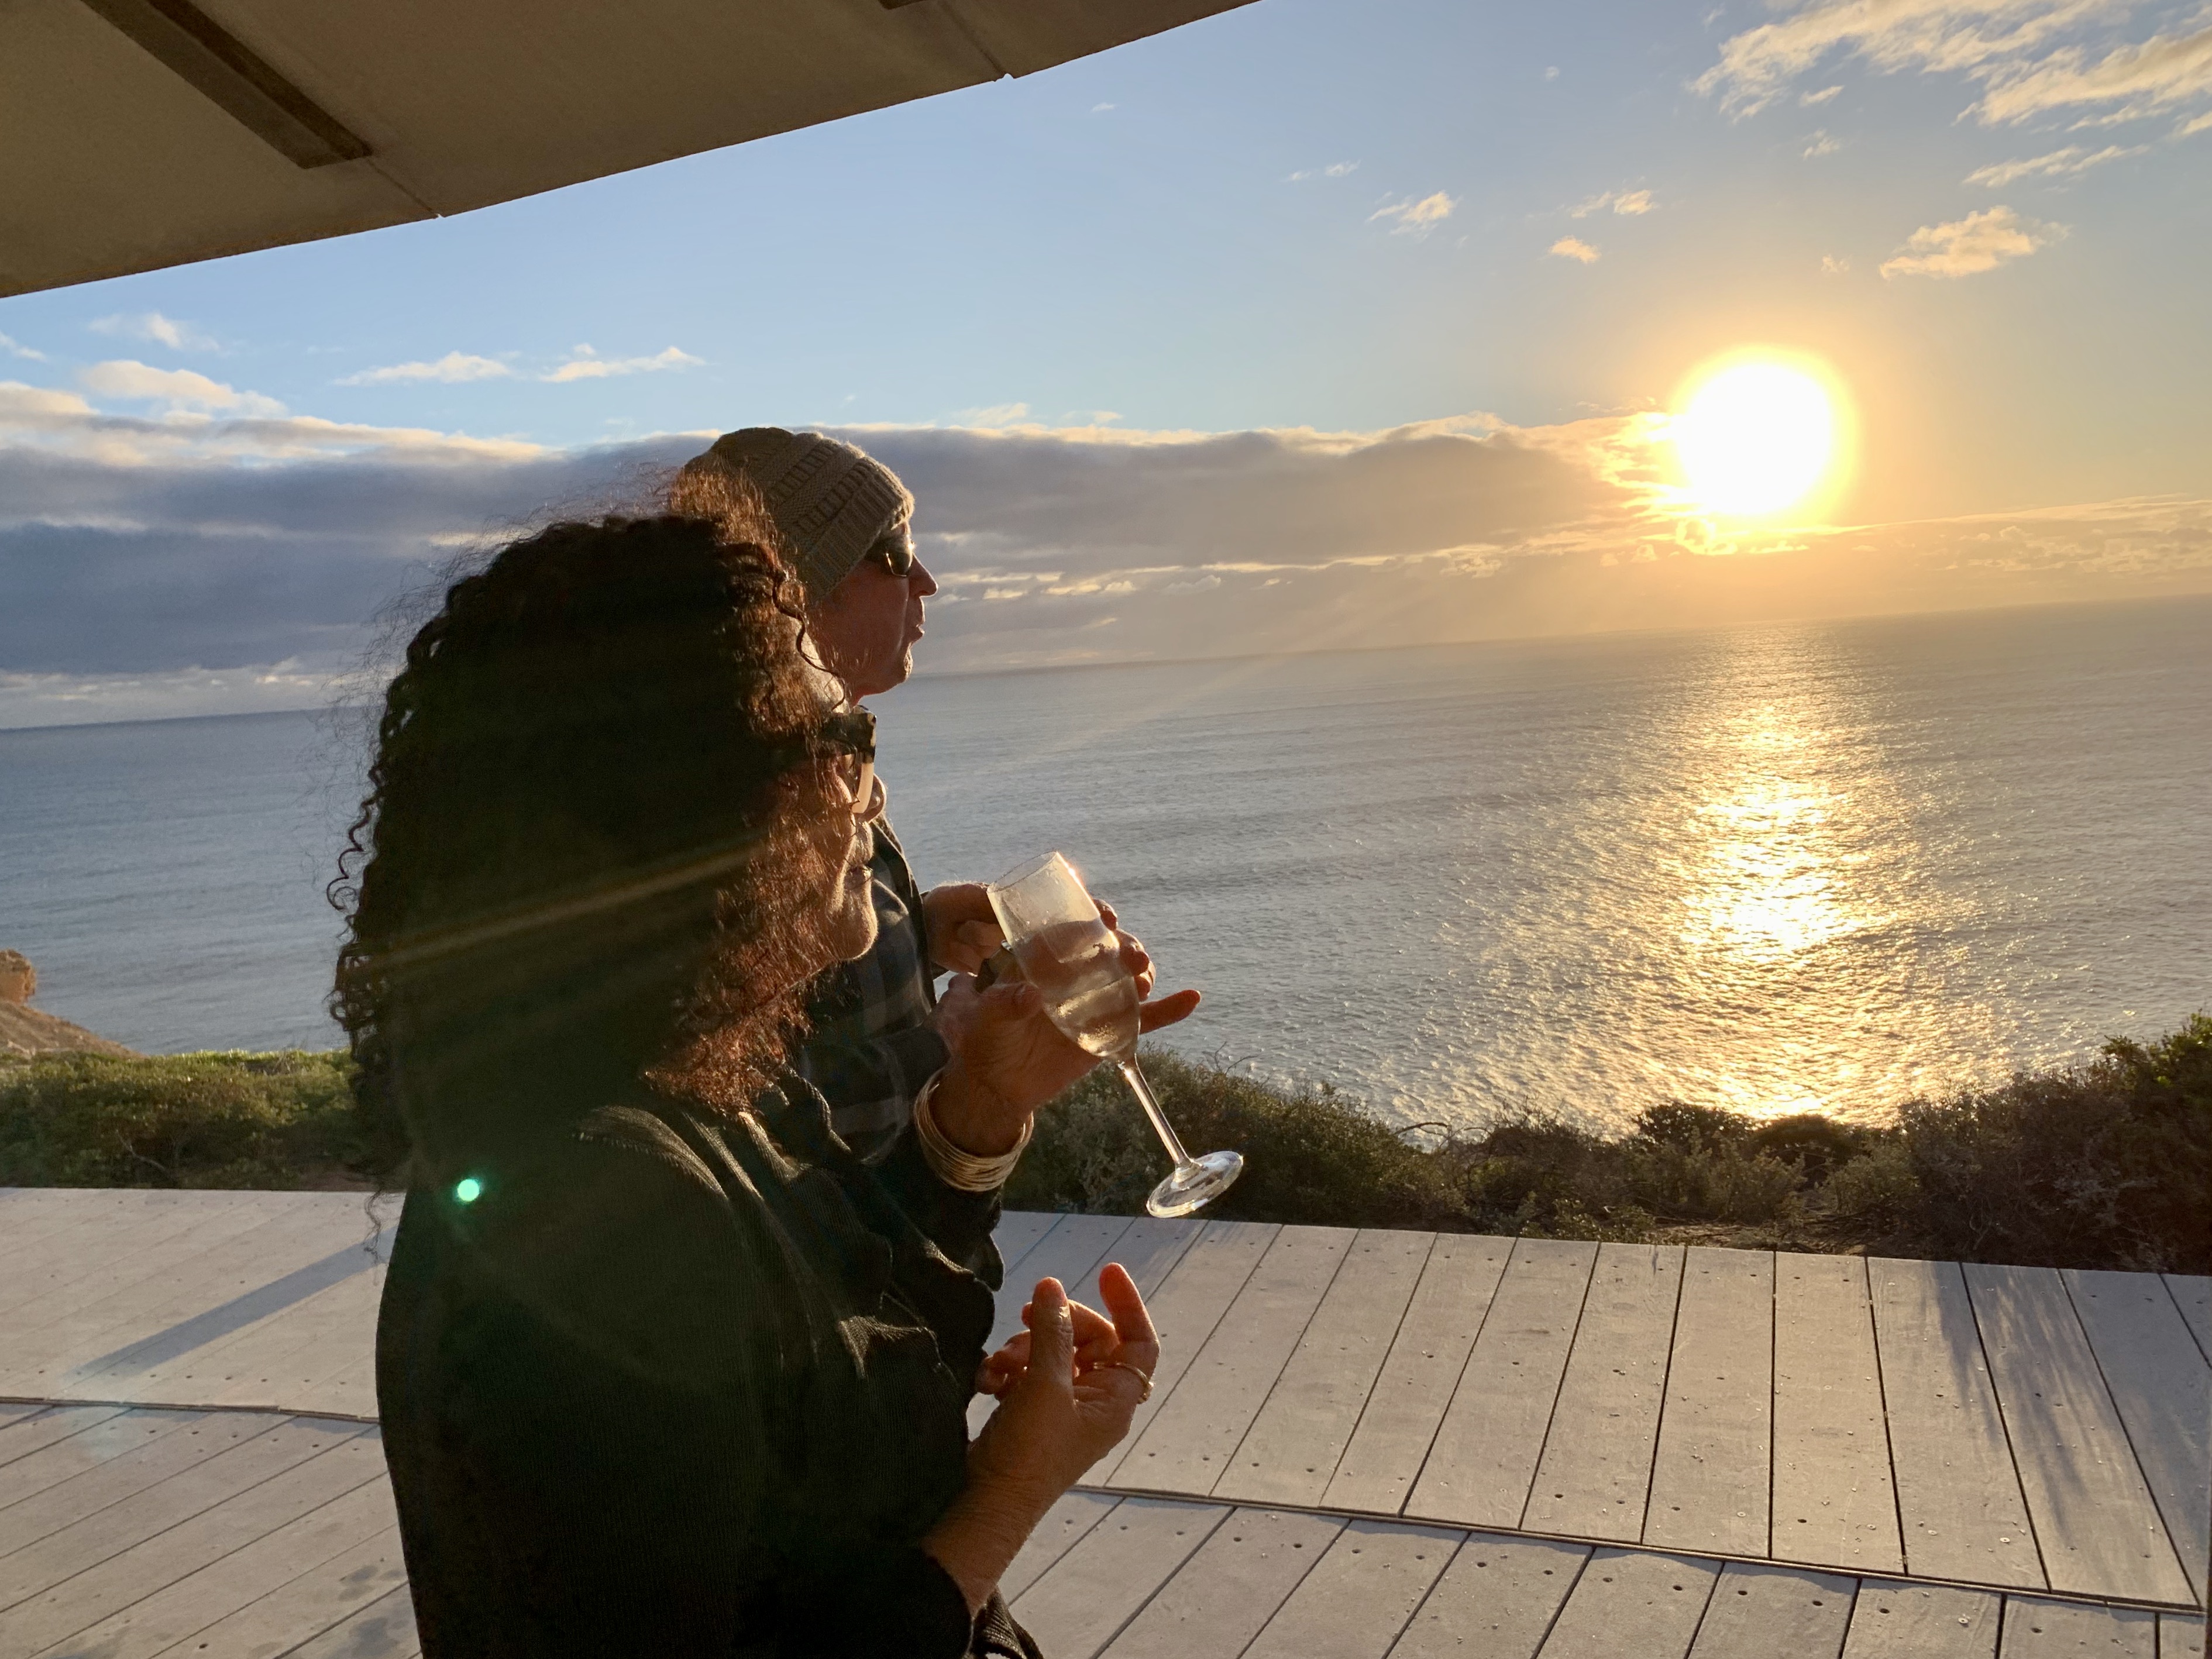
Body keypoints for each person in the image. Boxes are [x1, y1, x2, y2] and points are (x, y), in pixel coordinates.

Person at [338, 506, 1165, 1656]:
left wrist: (984, 1105)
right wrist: (1009, 1490)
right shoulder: (601, 1214)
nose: (871, 796)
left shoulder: (711, 1081)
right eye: (840, 742)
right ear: (694, 803)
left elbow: (853, 1320)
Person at [673, 430, 1199, 1159]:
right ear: (801, 586)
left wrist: (919, 937)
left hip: (885, 1218)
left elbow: (810, 1000)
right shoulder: (738, 805)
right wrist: (948, 1043)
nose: (925, 580)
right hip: (820, 1225)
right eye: (894, 553)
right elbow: (725, 1102)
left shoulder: (831, 763)